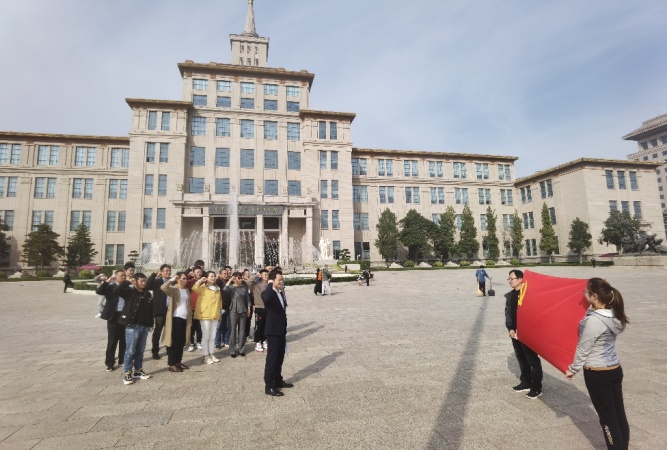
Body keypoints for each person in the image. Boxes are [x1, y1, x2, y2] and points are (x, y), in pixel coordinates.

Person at [566, 278, 629, 449]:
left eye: (585, 292)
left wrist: (573, 369)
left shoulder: (594, 321)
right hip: (614, 369)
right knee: (619, 416)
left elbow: (584, 347)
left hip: (597, 373)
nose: (583, 294)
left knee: (608, 420)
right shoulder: (614, 314)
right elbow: (594, 316)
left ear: (594, 296)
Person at [505, 269, 543, 399]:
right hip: (515, 333)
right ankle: (526, 382)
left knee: (532, 360)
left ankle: (537, 387)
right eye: (509, 279)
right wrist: (510, 328)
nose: (510, 281)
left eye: (512, 279)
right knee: (521, 357)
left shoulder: (528, 294)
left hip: (528, 332)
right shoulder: (510, 296)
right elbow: (508, 313)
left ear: (521, 279)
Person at [115, 273, 154, 385]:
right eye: (141, 281)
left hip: (144, 326)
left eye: (145, 281)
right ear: (135, 281)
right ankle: (128, 372)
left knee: (140, 350)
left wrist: (151, 323)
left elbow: (150, 309)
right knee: (130, 351)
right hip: (132, 326)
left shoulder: (147, 293)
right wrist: (128, 282)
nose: (144, 283)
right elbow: (117, 290)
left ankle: (138, 370)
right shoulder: (130, 292)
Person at [262, 269, 293, 396]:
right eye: (279, 280)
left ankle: (278, 379)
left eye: (282, 280)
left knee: (280, 357)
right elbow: (266, 298)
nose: (281, 282)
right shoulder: (268, 292)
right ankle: (269, 385)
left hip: (281, 329)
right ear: (273, 280)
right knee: (272, 358)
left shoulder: (280, 292)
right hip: (273, 330)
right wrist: (270, 284)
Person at [161, 272, 192, 373]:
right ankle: (171, 364)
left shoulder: (186, 290)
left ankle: (178, 362)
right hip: (176, 318)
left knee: (181, 341)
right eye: (183, 278)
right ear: (178, 279)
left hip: (185, 318)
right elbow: (163, 287)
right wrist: (172, 279)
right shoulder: (173, 289)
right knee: (174, 342)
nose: (185, 280)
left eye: (186, 278)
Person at [97, 270, 127, 371]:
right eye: (121, 276)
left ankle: (122, 360)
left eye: (124, 276)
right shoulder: (110, 286)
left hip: (124, 315)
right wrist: (107, 281)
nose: (123, 277)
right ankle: (110, 363)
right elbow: (99, 291)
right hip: (113, 316)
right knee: (112, 340)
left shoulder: (126, 287)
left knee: (123, 339)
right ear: (116, 276)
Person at [192, 271, 222, 364]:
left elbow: (220, 302)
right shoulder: (203, 287)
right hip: (205, 314)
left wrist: (220, 312)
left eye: (214, 276)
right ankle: (206, 355)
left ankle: (211, 354)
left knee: (212, 336)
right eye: (211, 276)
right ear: (207, 277)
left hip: (215, 314)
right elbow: (194, 288)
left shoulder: (217, 288)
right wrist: (200, 280)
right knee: (206, 336)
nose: (213, 278)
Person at [146, 264, 171, 360]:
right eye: (166, 271)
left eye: (169, 270)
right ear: (161, 272)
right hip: (160, 311)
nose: (168, 272)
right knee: (158, 331)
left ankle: (169, 348)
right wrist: (154, 274)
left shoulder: (172, 281)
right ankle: (155, 351)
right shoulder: (157, 282)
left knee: (169, 331)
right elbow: (147, 285)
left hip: (170, 310)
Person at [224, 272, 251, 358]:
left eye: (241, 278)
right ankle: (232, 350)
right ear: (235, 278)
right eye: (239, 278)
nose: (241, 279)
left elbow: (247, 298)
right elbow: (225, 289)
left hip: (243, 310)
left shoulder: (244, 287)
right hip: (233, 310)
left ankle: (241, 349)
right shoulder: (231, 287)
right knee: (232, 331)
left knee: (242, 330)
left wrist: (249, 308)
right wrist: (231, 280)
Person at [251, 269, 269, 352]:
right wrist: (256, 275)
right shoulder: (256, 285)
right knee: (259, 325)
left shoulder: (270, 284)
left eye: (267, 274)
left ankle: (264, 340)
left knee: (266, 325)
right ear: (261, 275)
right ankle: (258, 342)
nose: (266, 276)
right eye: (264, 274)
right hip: (259, 308)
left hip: (268, 308)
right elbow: (248, 282)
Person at [186, 268, 203, 352]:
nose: (199, 273)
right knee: (191, 326)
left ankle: (199, 342)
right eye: (197, 272)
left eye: (200, 272)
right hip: (192, 307)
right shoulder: (190, 282)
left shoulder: (204, 282)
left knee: (199, 327)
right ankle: (191, 343)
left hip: (201, 308)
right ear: (193, 273)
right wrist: (188, 274)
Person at [215, 267, 232, 349]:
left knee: (227, 325)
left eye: (227, 273)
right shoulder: (218, 282)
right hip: (221, 307)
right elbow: (223, 290)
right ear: (220, 275)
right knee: (219, 326)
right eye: (224, 274)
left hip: (229, 306)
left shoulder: (230, 281)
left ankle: (226, 341)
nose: (226, 275)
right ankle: (217, 342)